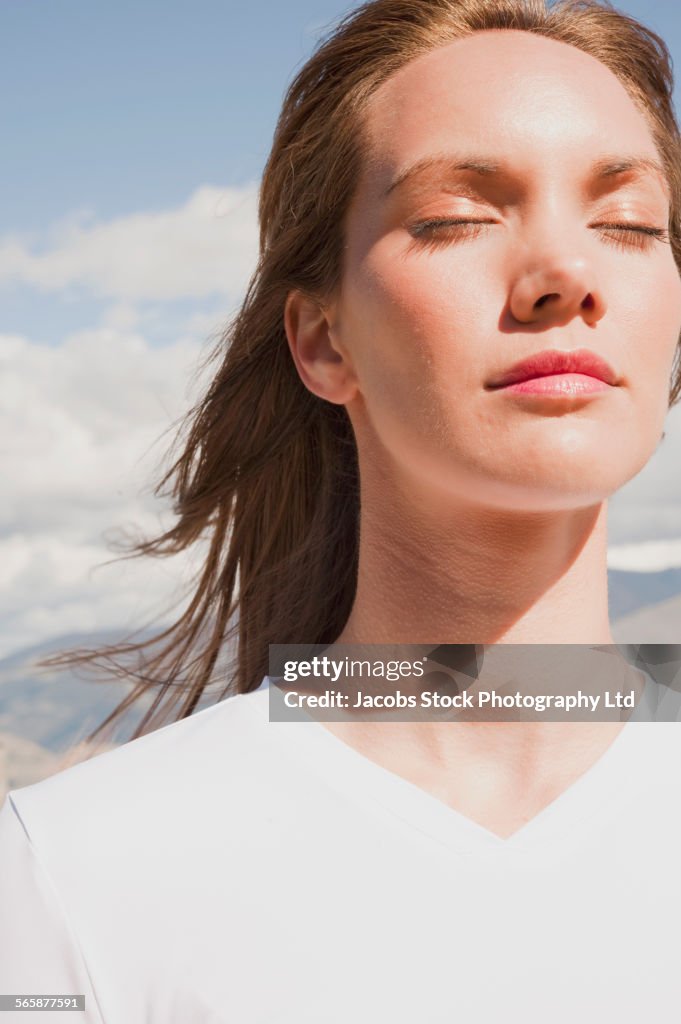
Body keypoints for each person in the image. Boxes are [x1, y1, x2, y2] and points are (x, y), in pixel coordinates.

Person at [1, 0, 681, 1020]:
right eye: (457, 217)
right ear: (323, 341)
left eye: (630, 224)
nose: (567, 276)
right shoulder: (65, 877)